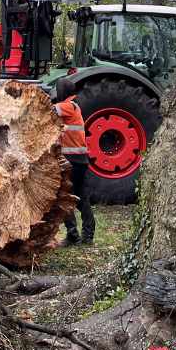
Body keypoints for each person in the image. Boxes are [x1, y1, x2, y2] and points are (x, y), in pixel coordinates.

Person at [56, 98, 95, 245]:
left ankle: (73, 235)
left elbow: (49, 109)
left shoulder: (67, 106)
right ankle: (88, 235)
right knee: (82, 198)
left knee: (64, 196)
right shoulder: (75, 107)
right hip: (81, 161)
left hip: (72, 161)